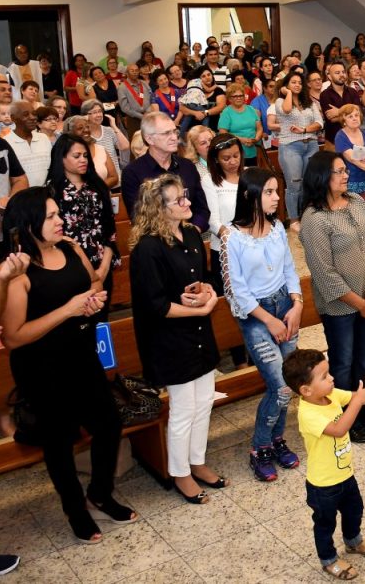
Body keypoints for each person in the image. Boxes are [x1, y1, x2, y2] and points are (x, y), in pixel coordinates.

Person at [1, 187, 135, 543]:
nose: (60, 220)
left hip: (81, 354)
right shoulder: (20, 272)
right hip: (42, 368)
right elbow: (13, 337)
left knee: (108, 423)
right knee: (59, 441)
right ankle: (75, 509)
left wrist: (92, 302)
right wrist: (69, 310)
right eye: (50, 216)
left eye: (58, 213)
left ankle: (100, 494)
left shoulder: (70, 248)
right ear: (29, 224)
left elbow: (92, 283)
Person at [129, 175, 225, 503]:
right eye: (179, 200)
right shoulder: (148, 249)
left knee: (205, 401)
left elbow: (206, 277)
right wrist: (202, 309)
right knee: (184, 409)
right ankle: (180, 472)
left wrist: (207, 292)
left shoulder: (191, 234)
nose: (188, 202)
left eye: (185, 195)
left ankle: (197, 461)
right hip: (169, 339)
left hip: (198, 332)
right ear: (159, 209)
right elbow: (154, 305)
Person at [299, 152, 365, 444]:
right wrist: (361, 303)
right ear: (322, 177)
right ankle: (345, 417)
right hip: (339, 305)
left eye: (345, 170)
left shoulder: (355, 202)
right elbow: (324, 273)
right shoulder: (315, 219)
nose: (346, 176)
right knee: (342, 362)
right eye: (339, 172)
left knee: (364, 358)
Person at [220, 168, 304, 481]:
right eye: (269, 192)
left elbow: (289, 269)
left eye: (276, 191)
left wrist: (297, 305)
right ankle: (260, 448)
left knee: (289, 382)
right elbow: (236, 290)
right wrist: (269, 320)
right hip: (256, 316)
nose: (276, 197)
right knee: (280, 387)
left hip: (285, 307)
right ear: (249, 195)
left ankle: (277, 440)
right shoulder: (232, 237)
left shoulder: (277, 227)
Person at [282, 349, 365, 579]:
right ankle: (328, 559)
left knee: (354, 511)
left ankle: (353, 541)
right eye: (324, 377)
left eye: (329, 373)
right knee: (325, 523)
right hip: (323, 486)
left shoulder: (331, 395)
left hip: (346, 475)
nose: (331, 378)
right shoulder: (308, 414)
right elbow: (339, 429)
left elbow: (353, 396)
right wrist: (357, 402)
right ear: (306, 390)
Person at [48, 133, 119, 319]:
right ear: (61, 158)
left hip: (101, 262)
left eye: (85, 155)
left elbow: (109, 230)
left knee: (100, 319)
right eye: (76, 156)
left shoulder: (97, 186)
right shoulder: (52, 191)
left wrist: (103, 269)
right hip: (69, 268)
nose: (83, 160)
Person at [122, 112, 210, 231]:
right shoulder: (132, 172)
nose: (174, 138)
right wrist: (173, 236)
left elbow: (202, 209)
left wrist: (193, 232)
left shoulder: (187, 166)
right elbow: (137, 217)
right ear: (149, 139)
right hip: (156, 239)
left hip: (192, 236)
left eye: (175, 131)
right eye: (166, 133)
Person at [275, 71, 323, 220]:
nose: (297, 85)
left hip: (311, 145)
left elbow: (319, 123)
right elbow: (287, 110)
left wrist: (304, 130)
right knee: (294, 185)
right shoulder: (280, 101)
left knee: (309, 183)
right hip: (290, 146)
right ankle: (294, 220)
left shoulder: (309, 102)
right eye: (293, 82)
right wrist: (288, 93)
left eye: (300, 83)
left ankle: (306, 217)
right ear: (286, 85)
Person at [199, 134, 242, 290]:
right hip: (225, 249)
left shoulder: (249, 175)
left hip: (252, 246)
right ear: (216, 159)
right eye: (226, 158)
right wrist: (236, 240)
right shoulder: (209, 180)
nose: (233, 161)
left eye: (236, 156)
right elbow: (212, 221)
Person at [334, 104, 365, 217]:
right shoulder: (340, 136)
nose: (355, 118)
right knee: (353, 217)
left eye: (356, 115)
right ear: (343, 120)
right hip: (349, 182)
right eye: (350, 116)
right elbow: (353, 159)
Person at [219, 83, 264, 166]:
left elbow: (259, 128)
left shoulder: (251, 109)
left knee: (254, 172)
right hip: (235, 151)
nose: (239, 98)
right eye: (235, 96)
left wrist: (255, 139)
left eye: (241, 95)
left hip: (254, 148)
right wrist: (241, 140)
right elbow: (223, 132)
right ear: (229, 98)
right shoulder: (226, 112)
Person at [6, 102, 49, 187]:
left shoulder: (44, 138)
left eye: (34, 114)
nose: (32, 117)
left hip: (45, 193)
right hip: (19, 194)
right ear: (13, 118)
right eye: (26, 115)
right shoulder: (6, 143)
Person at [117, 64, 151, 137]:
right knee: (136, 141)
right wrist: (141, 116)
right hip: (133, 119)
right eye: (132, 71)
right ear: (127, 73)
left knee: (150, 139)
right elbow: (124, 107)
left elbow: (151, 97)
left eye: (136, 70)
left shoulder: (144, 83)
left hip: (148, 116)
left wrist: (148, 112)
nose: (135, 72)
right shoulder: (122, 87)